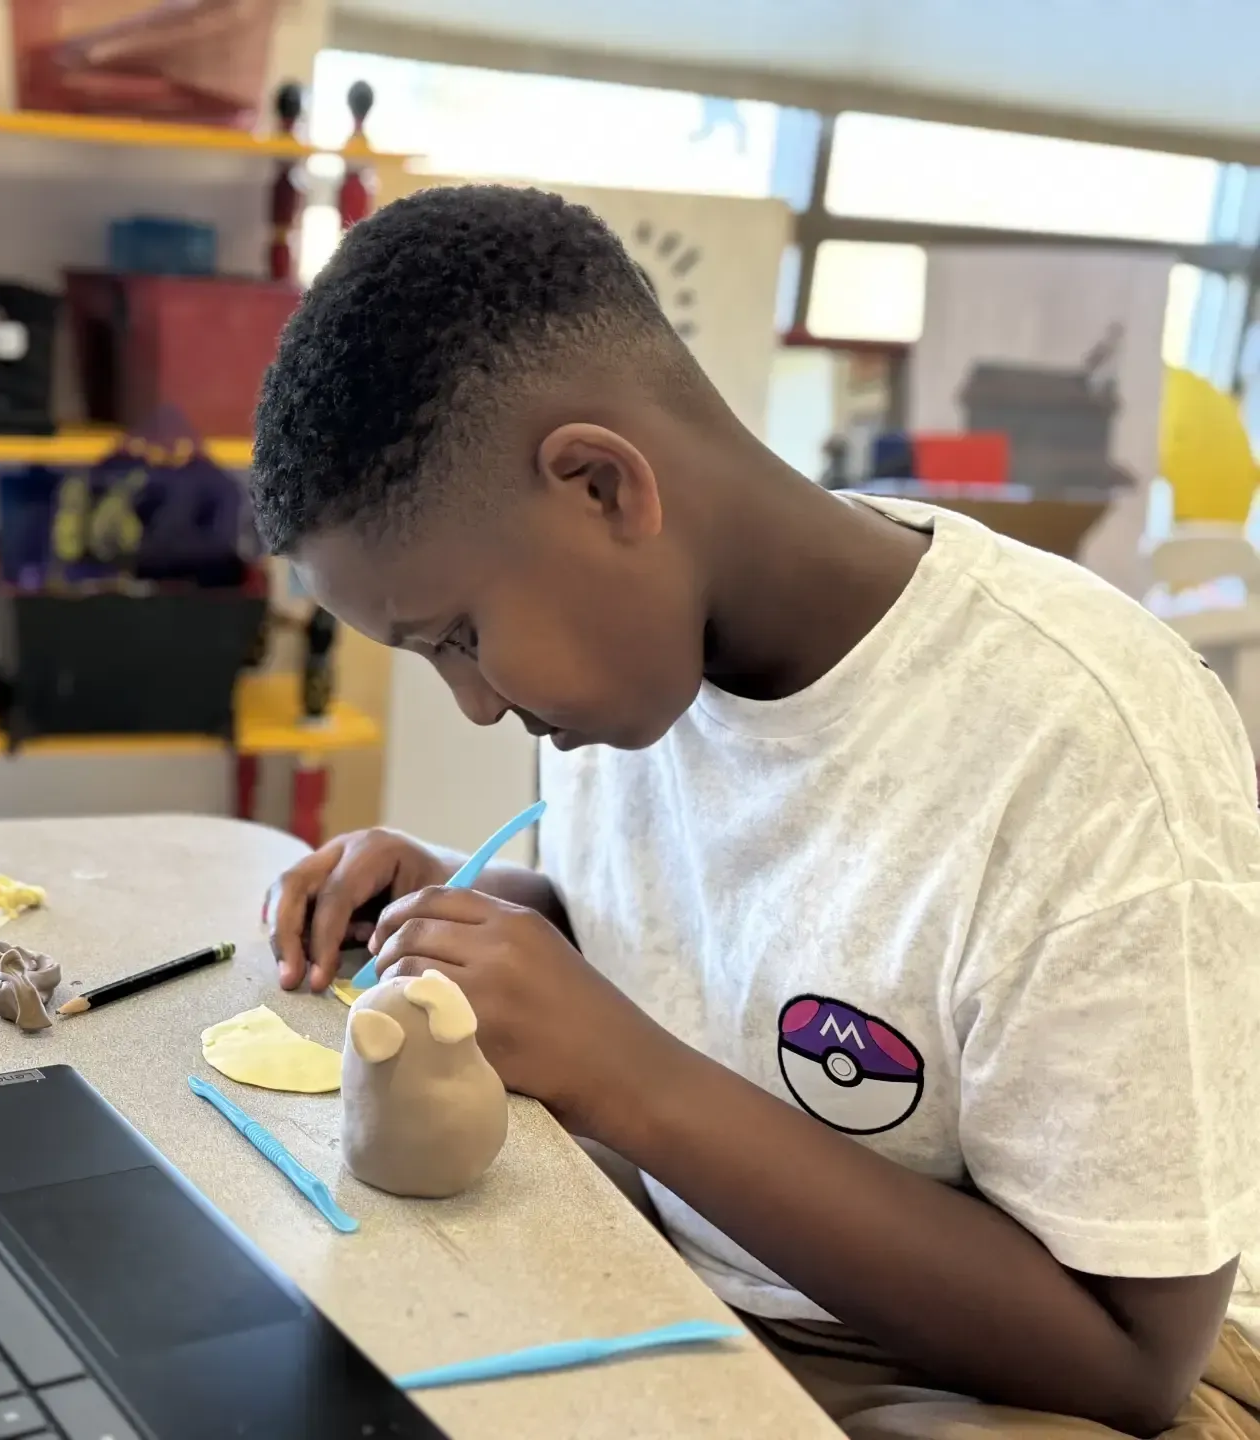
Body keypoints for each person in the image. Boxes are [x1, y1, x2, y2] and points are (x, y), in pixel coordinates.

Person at [253, 183, 1260, 1440]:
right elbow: (706, 938)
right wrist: (495, 909)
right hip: (699, 1283)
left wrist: (619, 1073)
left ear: (602, 487)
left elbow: (1132, 1364)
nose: (474, 703)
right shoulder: (627, 673)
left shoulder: (1087, 746)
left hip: (984, 1380)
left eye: (458, 636)